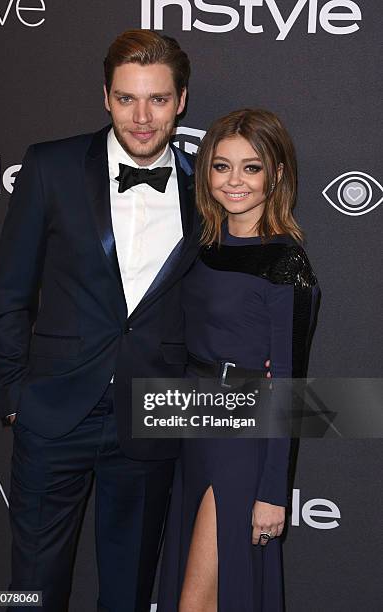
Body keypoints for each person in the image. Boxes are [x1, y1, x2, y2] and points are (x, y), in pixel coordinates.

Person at [0, 30, 201, 612]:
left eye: (157, 99)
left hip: (149, 417)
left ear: (181, 100)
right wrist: (14, 398)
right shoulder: (51, 165)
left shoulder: (205, 187)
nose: (142, 116)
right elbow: (10, 291)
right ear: (105, 97)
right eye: (127, 98)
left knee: (129, 591)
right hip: (53, 414)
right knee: (29, 588)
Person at [157, 109, 320, 611]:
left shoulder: (286, 264)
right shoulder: (198, 246)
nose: (234, 181)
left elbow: (289, 385)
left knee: (199, 600)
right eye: (221, 166)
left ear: (277, 175)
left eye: (251, 167)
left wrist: (273, 492)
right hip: (192, 428)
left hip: (241, 438)